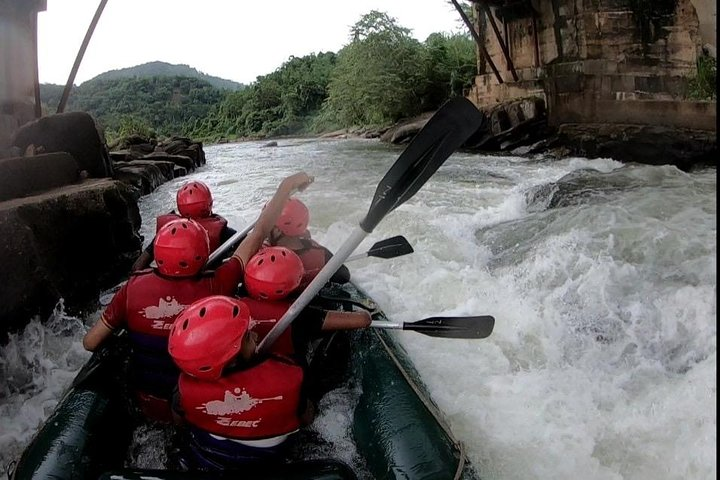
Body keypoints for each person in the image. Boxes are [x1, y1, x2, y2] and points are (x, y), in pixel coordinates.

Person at [82, 172, 313, 422]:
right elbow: (258, 235)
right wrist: (284, 188)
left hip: (147, 403)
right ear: (203, 254)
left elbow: (90, 343)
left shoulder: (132, 288)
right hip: (192, 405)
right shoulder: (217, 283)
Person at [167, 291, 370, 470]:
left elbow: (181, 424)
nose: (255, 335)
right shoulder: (288, 379)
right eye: (246, 337)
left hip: (209, 462)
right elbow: (307, 418)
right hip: (273, 465)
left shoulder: (183, 392)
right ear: (229, 357)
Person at [131, 180, 236, 271]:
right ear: (209, 204)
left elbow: (138, 267)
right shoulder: (224, 232)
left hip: (169, 282)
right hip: (206, 282)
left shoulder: (167, 231)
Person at [267, 197, 350, 289]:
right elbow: (344, 276)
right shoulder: (320, 253)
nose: (265, 230)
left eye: (267, 225)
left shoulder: (264, 252)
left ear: (278, 230)